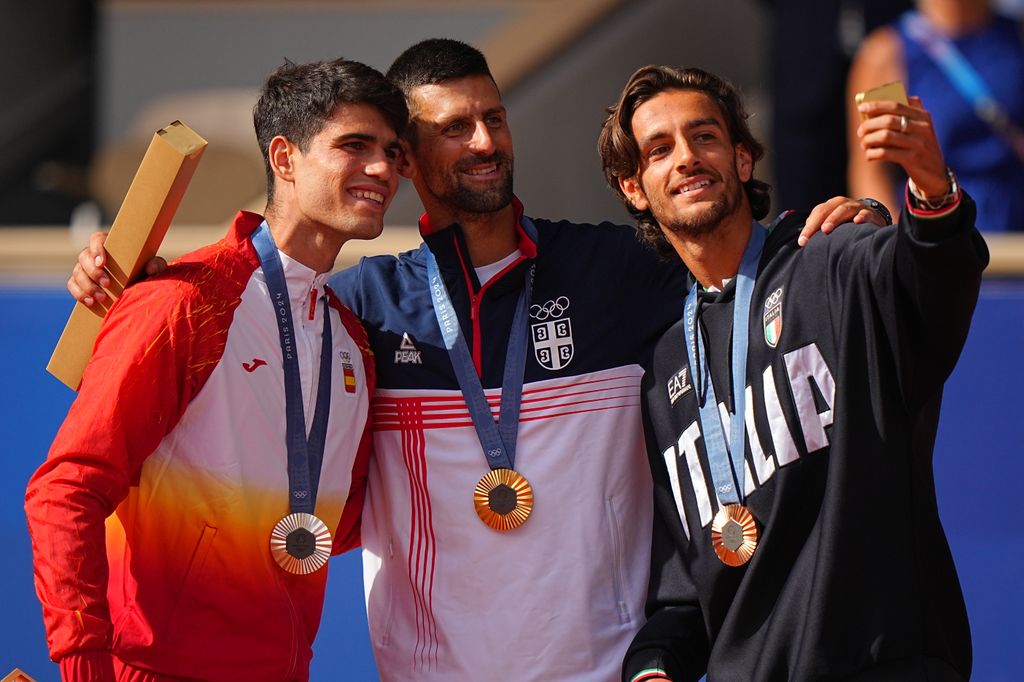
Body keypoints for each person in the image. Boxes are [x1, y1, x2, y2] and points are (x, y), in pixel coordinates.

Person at [66, 40, 887, 681]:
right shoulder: (360, 313)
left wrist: (851, 219)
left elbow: (730, 257)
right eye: (452, 128)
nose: (486, 141)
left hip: (607, 672)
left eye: (494, 118)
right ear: (408, 162)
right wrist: (135, 284)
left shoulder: (619, 272)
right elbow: (259, 345)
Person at [599, 64, 986, 681]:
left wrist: (932, 193)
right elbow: (686, 591)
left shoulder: (832, 256)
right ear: (634, 189)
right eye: (660, 148)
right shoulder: (667, 367)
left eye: (705, 137)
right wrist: (655, 664)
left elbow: (933, 284)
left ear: (743, 159)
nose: (687, 158)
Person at [25, 58, 406, 681]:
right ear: (284, 159)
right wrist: (83, 665)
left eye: (393, 152)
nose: (382, 169)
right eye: (354, 146)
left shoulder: (350, 344)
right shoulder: (184, 303)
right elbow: (65, 489)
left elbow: (332, 525)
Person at [847, 0, 1024, 231]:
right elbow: (871, 172)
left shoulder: (1017, 37)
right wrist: (901, 246)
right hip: (938, 233)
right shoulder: (885, 54)